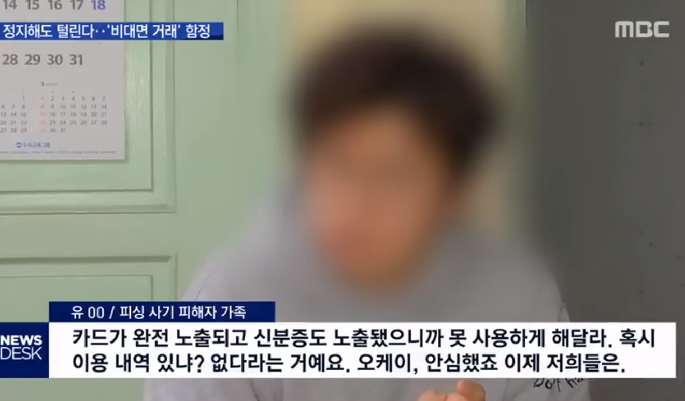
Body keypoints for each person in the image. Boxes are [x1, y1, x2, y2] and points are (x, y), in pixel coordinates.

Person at [145, 26, 590, 401]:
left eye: (392, 175)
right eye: (335, 166)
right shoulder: (233, 293)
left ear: (454, 192)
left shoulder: (523, 294)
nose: (353, 204)